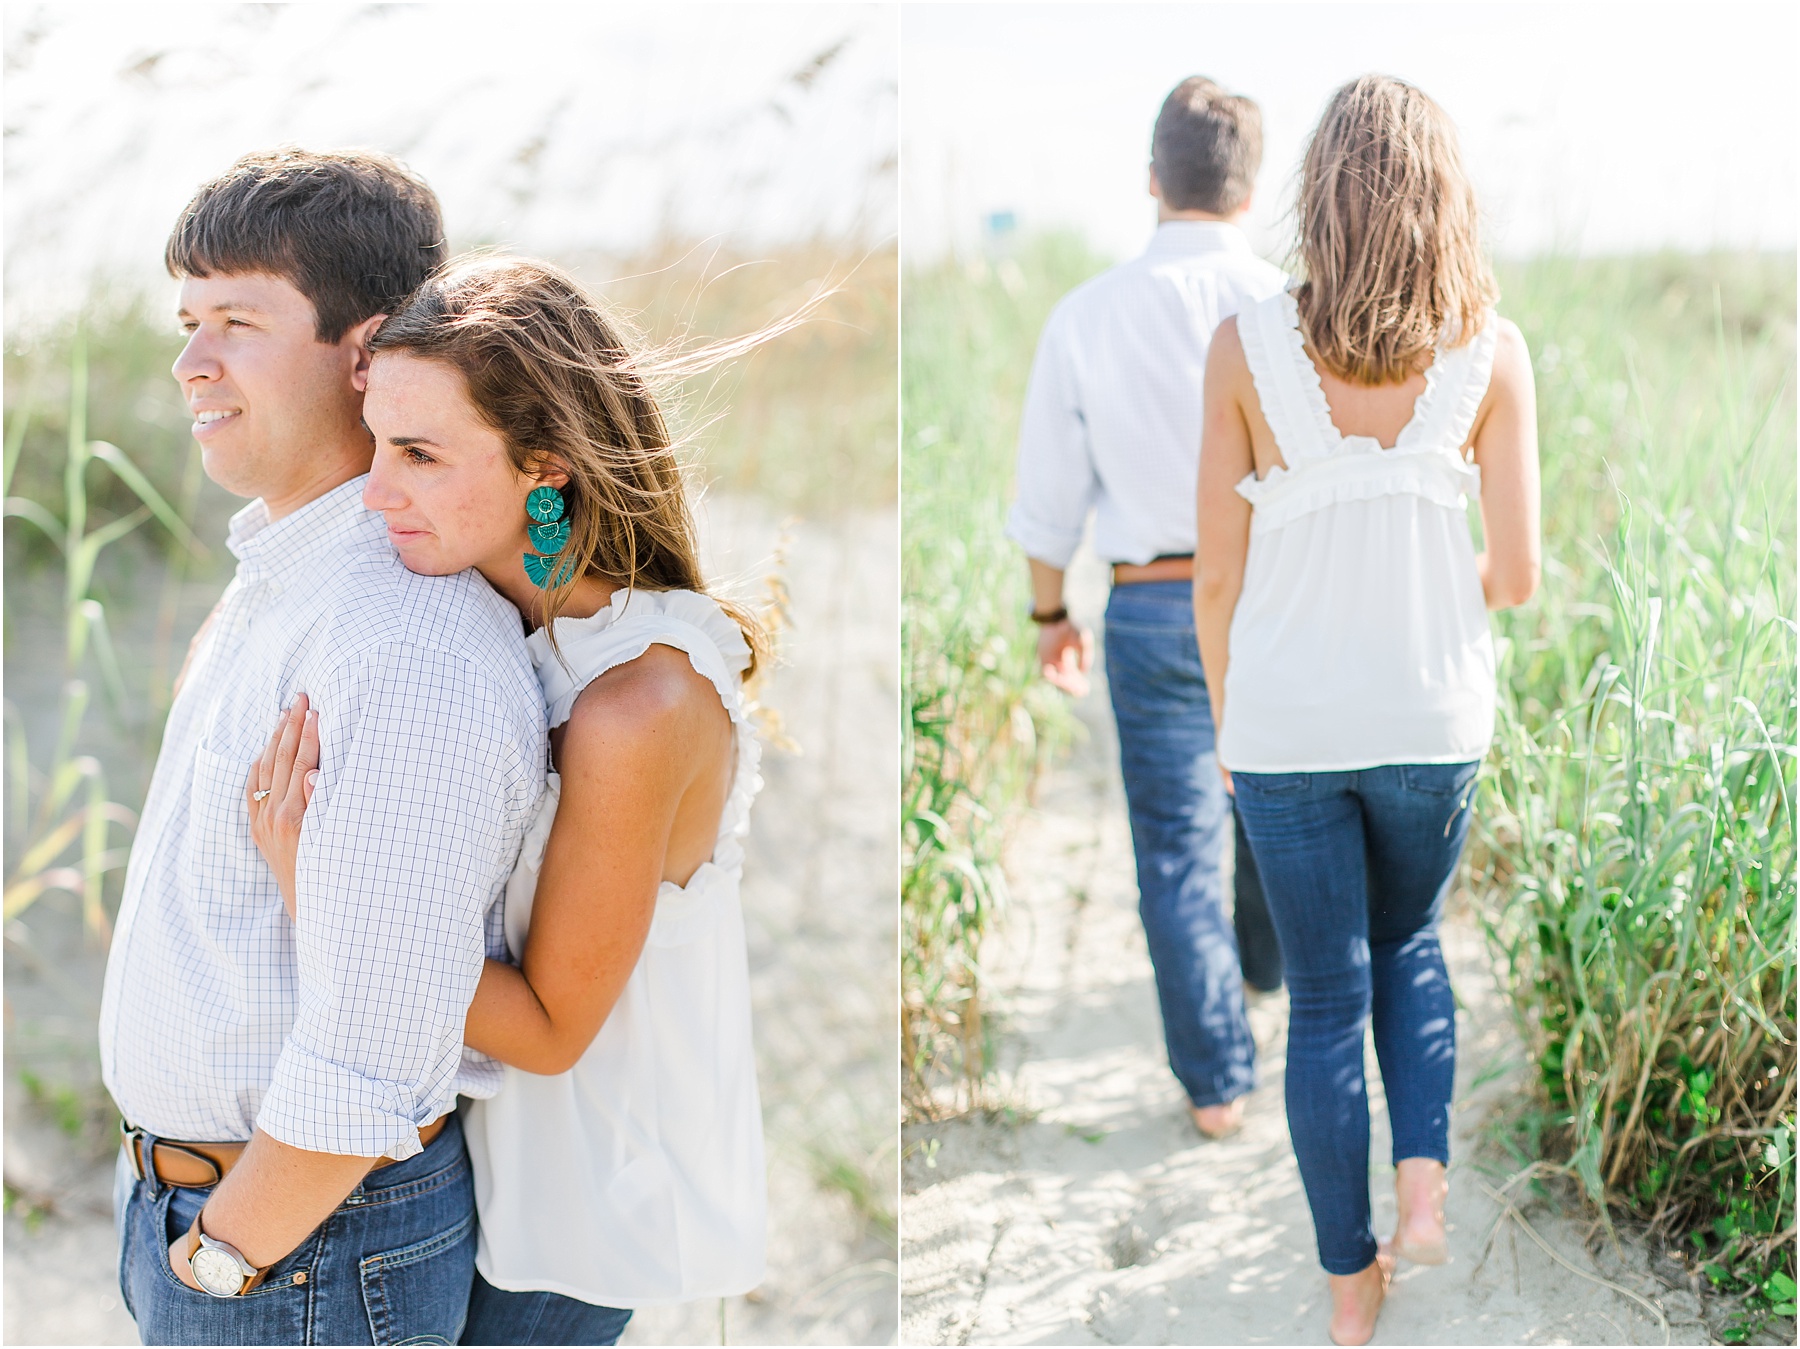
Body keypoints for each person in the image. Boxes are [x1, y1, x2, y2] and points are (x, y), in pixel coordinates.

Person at [248, 256, 769, 1346]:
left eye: (422, 455)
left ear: (547, 469)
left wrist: (319, 883)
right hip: (490, 1170)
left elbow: (546, 1029)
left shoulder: (636, 698)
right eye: (378, 442)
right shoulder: (512, 626)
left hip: (581, 1205)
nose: (377, 490)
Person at [99, 150, 547, 1344]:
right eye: (189, 319)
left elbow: (376, 1041)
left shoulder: (404, 638)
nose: (192, 360)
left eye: (238, 321)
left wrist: (224, 1250)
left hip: (299, 1253)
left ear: (365, 352)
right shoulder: (289, 579)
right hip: (232, 1224)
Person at [1194, 75, 1540, 1345]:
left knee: (1328, 996)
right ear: (1446, 198)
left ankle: (1351, 1287)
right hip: (1432, 718)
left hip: (1283, 728)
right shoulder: (1493, 350)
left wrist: (1233, 722)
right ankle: (1425, 1197)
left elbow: (1215, 571)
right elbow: (1516, 575)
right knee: (1413, 947)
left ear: (1318, 195)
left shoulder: (1245, 346)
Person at [1006, 76, 1287, 1138]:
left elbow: (1047, 503)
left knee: (1175, 847)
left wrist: (1050, 616)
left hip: (1152, 602)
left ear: (1152, 180)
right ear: (1251, 189)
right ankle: (1262, 967)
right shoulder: (1285, 308)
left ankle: (1217, 1083)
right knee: (1271, 799)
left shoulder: (1085, 316)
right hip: (1271, 599)